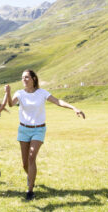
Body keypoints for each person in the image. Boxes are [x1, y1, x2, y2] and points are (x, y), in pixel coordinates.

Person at [6, 69, 85, 200]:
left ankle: (30, 191)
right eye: (22, 78)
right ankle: (31, 178)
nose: (24, 80)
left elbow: (58, 101)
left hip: (38, 129)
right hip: (23, 129)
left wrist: (74, 108)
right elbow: (10, 104)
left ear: (33, 79)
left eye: (27, 77)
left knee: (32, 158)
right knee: (25, 164)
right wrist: (8, 93)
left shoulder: (42, 93)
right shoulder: (19, 93)